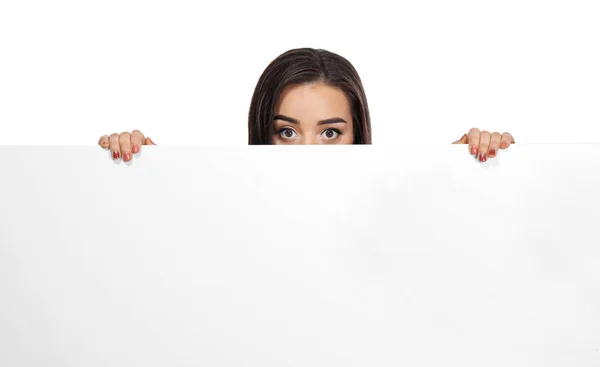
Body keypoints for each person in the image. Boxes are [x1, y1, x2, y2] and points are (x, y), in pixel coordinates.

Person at [98, 48, 515, 162]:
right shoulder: (226, 219)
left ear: (358, 138)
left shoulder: (392, 223)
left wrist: (468, 169)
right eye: (288, 132)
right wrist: (144, 173)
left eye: (330, 133)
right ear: (263, 134)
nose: (308, 152)